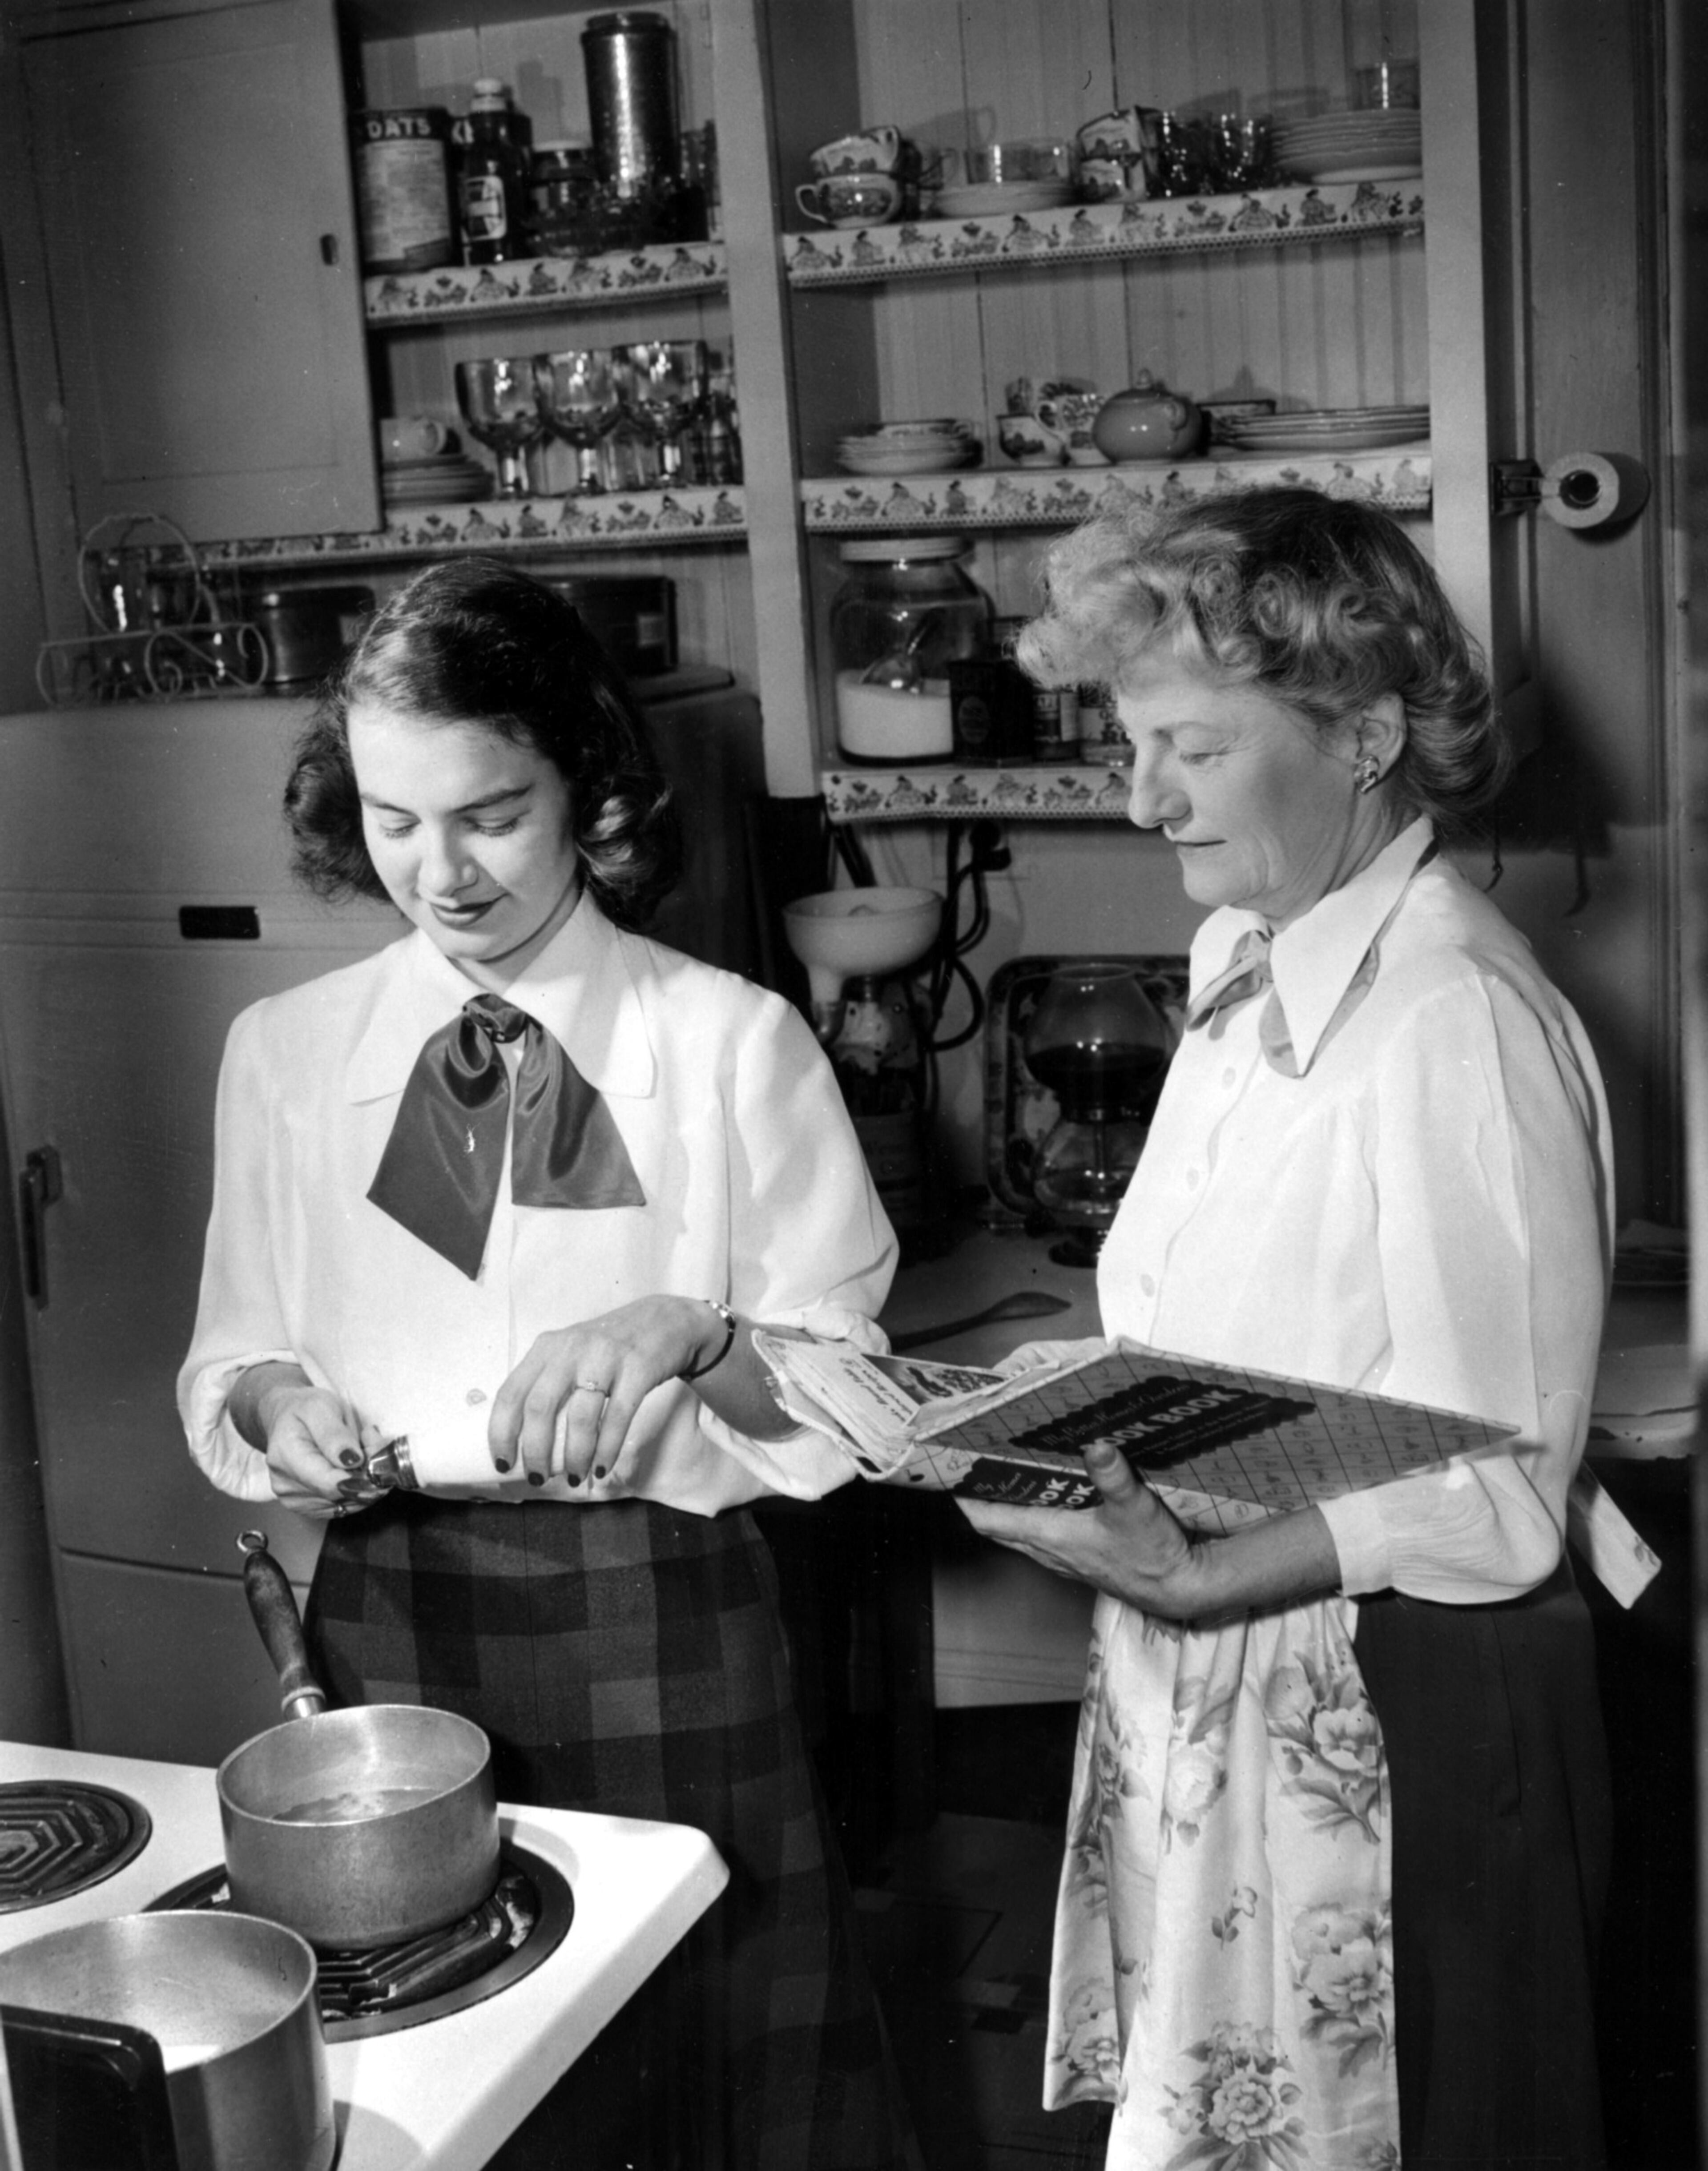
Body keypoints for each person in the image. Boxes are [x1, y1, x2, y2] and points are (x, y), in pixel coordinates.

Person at [177, 557, 912, 2171]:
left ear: (589, 785)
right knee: (450, 2100)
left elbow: (850, 1394)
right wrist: (275, 1406)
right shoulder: (285, 1058)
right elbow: (230, 1359)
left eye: (492, 812)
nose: (438, 873)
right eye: (392, 819)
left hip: (665, 1613)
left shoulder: (731, 1043)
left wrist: (692, 1330)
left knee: (705, 2082)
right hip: (386, 1631)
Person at [962, 487, 1635, 2171]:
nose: (1139, 798)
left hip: (1402, 1697)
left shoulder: (1452, 1017)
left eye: (1188, 745)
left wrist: (1196, 1570)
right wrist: (1094, 1394)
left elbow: (1496, 1491)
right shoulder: (1247, 956)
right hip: (1237, 1675)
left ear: (1366, 737)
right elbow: (1263, 1326)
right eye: (1130, 744)